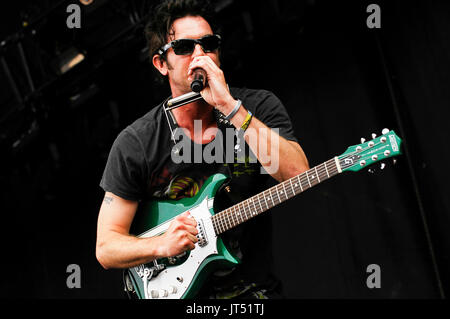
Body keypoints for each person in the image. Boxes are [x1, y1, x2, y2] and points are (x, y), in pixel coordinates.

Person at [96, 0, 309, 299]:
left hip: (253, 296)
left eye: (208, 44)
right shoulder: (137, 143)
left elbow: (296, 173)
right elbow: (106, 247)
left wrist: (230, 107)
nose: (200, 55)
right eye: (184, 47)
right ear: (160, 63)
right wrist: (161, 245)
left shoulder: (256, 108)